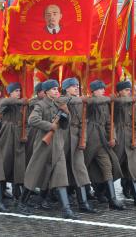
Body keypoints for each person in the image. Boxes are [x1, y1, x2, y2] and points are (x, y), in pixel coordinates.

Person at [19, 79, 77, 219]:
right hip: (43, 145)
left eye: (57, 89)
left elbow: (64, 126)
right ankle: (22, 203)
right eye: (53, 89)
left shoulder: (58, 104)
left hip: (57, 144)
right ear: (46, 92)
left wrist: (66, 114)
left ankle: (67, 210)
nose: (57, 91)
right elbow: (32, 120)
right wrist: (49, 126)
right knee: (34, 174)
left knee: (61, 176)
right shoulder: (41, 105)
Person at [84, 80, 125, 210]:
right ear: (94, 91)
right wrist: (108, 98)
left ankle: (112, 199)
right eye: (100, 89)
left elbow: (109, 122)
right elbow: (93, 102)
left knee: (108, 167)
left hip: (101, 140)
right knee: (82, 167)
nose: (103, 91)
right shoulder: (89, 101)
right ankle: (81, 194)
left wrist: (112, 136)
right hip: (89, 138)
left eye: (103, 89)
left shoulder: (106, 104)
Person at [60, 77, 96, 213]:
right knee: (59, 169)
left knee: (79, 169)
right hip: (63, 136)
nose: (76, 87)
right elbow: (64, 101)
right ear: (66, 88)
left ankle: (83, 202)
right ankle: (45, 197)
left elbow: (83, 123)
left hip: (75, 136)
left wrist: (83, 139)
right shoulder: (62, 99)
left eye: (77, 85)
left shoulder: (80, 102)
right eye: (73, 86)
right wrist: (81, 99)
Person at [113, 80, 136, 207]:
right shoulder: (115, 102)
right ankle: (102, 191)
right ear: (119, 92)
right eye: (126, 90)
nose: (129, 92)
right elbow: (118, 105)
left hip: (130, 138)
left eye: (129, 90)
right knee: (114, 168)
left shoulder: (134, 104)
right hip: (118, 138)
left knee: (132, 169)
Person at [0, 82, 28, 200]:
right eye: (16, 91)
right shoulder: (6, 101)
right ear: (9, 93)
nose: (19, 93)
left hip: (18, 133)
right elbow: (4, 102)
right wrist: (21, 101)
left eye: (19, 91)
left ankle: (17, 190)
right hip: (7, 134)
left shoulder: (20, 104)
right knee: (5, 161)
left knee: (19, 163)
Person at [26, 82, 45, 166]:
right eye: (43, 91)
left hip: (43, 128)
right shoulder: (34, 102)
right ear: (38, 92)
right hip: (33, 130)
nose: (45, 93)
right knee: (31, 150)